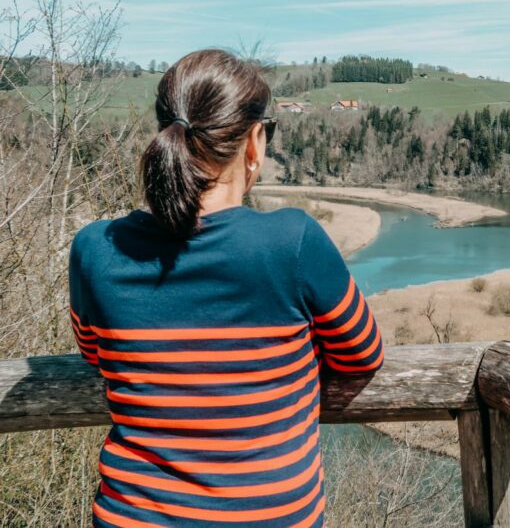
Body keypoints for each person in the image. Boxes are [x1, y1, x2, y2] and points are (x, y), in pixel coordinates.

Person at [68, 49, 383, 527]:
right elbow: (362, 355)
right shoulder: (293, 241)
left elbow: (97, 356)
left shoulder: (95, 249)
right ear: (255, 143)